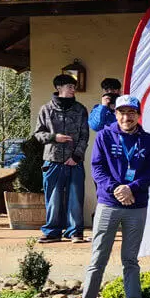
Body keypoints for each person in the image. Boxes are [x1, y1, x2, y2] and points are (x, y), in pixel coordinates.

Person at [83, 96, 150, 298]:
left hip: (136, 206)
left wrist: (131, 188)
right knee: (98, 259)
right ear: (116, 114)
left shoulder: (148, 140)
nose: (127, 117)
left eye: (131, 112)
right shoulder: (104, 136)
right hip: (109, 204)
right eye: (122, 112)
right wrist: (116, 188)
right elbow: (97, 168)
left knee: (130, 260)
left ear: (138, 115)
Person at [34, 73, 90, 244]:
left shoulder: (80, 109)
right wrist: (54, 137)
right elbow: (38, 134)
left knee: (75, 198)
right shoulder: (46, 109)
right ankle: (52, 232)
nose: (73, 89)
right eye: (69, 86)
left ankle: (75, 233)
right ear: (59, 88)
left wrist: (76, 156)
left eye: (73, 87)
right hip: (53, 161)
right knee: (53, 198)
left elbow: (84, 136)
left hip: (75, 161)